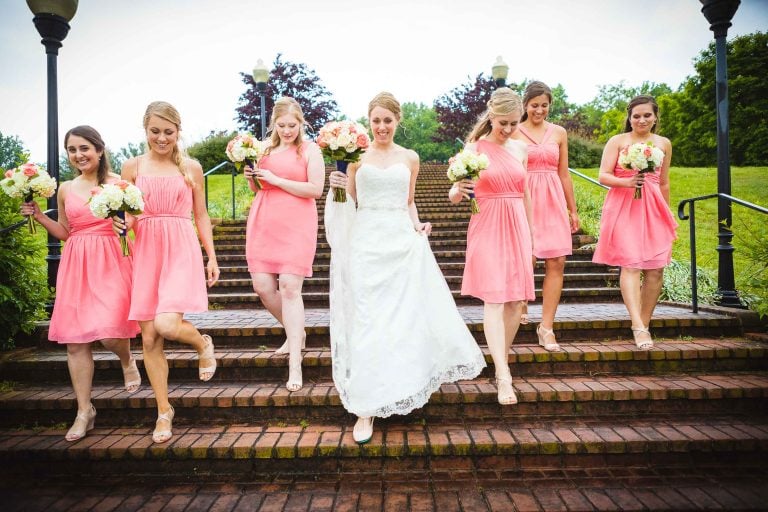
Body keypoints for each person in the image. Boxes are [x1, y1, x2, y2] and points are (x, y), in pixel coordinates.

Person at [326, 92, 486, 444]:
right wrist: (336, 189)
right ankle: (365, 407)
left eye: (387, 120)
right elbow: (348, 202)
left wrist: (418, 225)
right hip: (365, 243)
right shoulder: (354, 157)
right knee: (368, 320)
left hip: (400, 240)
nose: (381, 126)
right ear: (369, 122)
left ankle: (402, 384)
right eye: (376, 120)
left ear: (397, 121)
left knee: (401, 320)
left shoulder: (410, 158)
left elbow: (410, 202)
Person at [21, 125, 141, 441]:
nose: (78, 155)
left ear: (99, 150)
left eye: (84, 148)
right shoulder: (65, 189)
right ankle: (84, 410)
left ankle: (127, 358)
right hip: (77, 262)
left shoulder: (120, 185)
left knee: (110, 331)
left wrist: (124, 225)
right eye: (72, 150)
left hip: (112, 259)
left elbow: (135, 224)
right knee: (76, 342)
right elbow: (65, 230)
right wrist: (38, 216)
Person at [117, 101, 220, 444]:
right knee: (149, 338)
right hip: (146, 252)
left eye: (168, 132)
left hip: (180, 248)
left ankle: (202, 342)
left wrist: (212, 256)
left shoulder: (191, 167)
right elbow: (128, 214)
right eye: (155, 131)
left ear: (178, 132)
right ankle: (164, 411)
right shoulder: (131, 167)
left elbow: (201, 215)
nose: (162, 138)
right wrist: (121, 222)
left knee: (166, 324)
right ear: (145, 130)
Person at [449, 87, 535, 406]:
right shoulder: (474, 148)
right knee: (495, 300)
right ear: (491, 116)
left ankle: (500, 358)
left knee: (515, 302)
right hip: (486, 224)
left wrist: (532, 235)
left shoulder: (521, 149)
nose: (509, 129)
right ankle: (503, 376)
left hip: (517, 225)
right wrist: (459, 188)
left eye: (514, 123)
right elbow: (454, 195)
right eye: (504, 123)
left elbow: (526, 194)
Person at [243, 97, 325, 392]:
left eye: (293, 125)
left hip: (297, 224)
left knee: (290, 288)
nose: (288, 130)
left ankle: (295, 362)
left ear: (301, 123)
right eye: (282, 125)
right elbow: (259, 187)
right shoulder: (263, 150)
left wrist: (276, 179)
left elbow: (315, 189)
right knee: (263, 288)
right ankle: (296, 333)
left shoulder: (309, 149)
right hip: (264, 222)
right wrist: (252, 178)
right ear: (273, 125)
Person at [592, 95, 677, 350]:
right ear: (629, 118)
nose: (641, 120)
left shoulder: (663, 143)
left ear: (655, 117)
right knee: (630, 265)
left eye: (647, 115)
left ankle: (645, 323)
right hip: (623, 206)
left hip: (654, 208)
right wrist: (627, 182)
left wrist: (667, 213)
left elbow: (663, 182)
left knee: (656, 268)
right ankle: (638, 327)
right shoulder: (618, 141)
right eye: (636, 115)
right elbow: (603, 176)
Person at [511, 81, 579, 352]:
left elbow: (564, 173)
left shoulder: (559, 132)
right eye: (534, 105)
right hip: (525, 197)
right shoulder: (514, 132)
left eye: (544, 105)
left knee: (557, 261)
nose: (539, 110)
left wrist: (573, 209)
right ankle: (522, 301)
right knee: (527, 257)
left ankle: (547, 327)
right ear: (525, 105)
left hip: (553, 198)